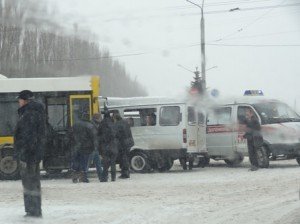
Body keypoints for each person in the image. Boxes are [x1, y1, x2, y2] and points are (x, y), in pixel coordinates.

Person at [14, 90, 46, 217]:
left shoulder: (29, 114)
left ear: (25, 100)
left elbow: (29, 137)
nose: (18, 102)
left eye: (20, 100)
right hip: (33, 155)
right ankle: (34, 209)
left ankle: (33, 211)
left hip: (28, 156)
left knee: (29, 183)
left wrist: (25, 155)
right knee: (33, 182)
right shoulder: (35, 113)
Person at [71, 113, 97, 183]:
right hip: (86, 147)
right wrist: (95, 147)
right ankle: (83, 177)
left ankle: (74, 177)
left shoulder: (75, 125)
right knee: (84, 162)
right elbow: (94, 137)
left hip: (76, 146)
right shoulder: (90, 126)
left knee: (76, 161)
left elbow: (70, 135)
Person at [98, 111, 118, 182]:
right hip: (113, 146)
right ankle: (113, 177)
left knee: (105, 163)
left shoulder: (101, 124)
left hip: (105, 146)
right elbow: (116, 134)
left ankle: (105, 177)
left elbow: (98, 135)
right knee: (113, 162)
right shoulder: (113, 123)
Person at [114, 113, 134, 179]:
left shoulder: (117, 124)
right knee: (125, 158)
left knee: (123, 158)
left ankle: (125, 173)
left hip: (123, 144)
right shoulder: (125, 123)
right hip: (129, 142)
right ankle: (126, 172)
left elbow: (117, 135)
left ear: (115, 118)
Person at [87, 113, 103, 180]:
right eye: (100, 118)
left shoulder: (94, 124)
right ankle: (84, 176)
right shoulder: (92, 126)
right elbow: (94, 136)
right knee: (89, 162)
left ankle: (101, 176)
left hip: (94, 146)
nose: (101, 119)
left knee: (97, 162)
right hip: (92, 146)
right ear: (97, 118)